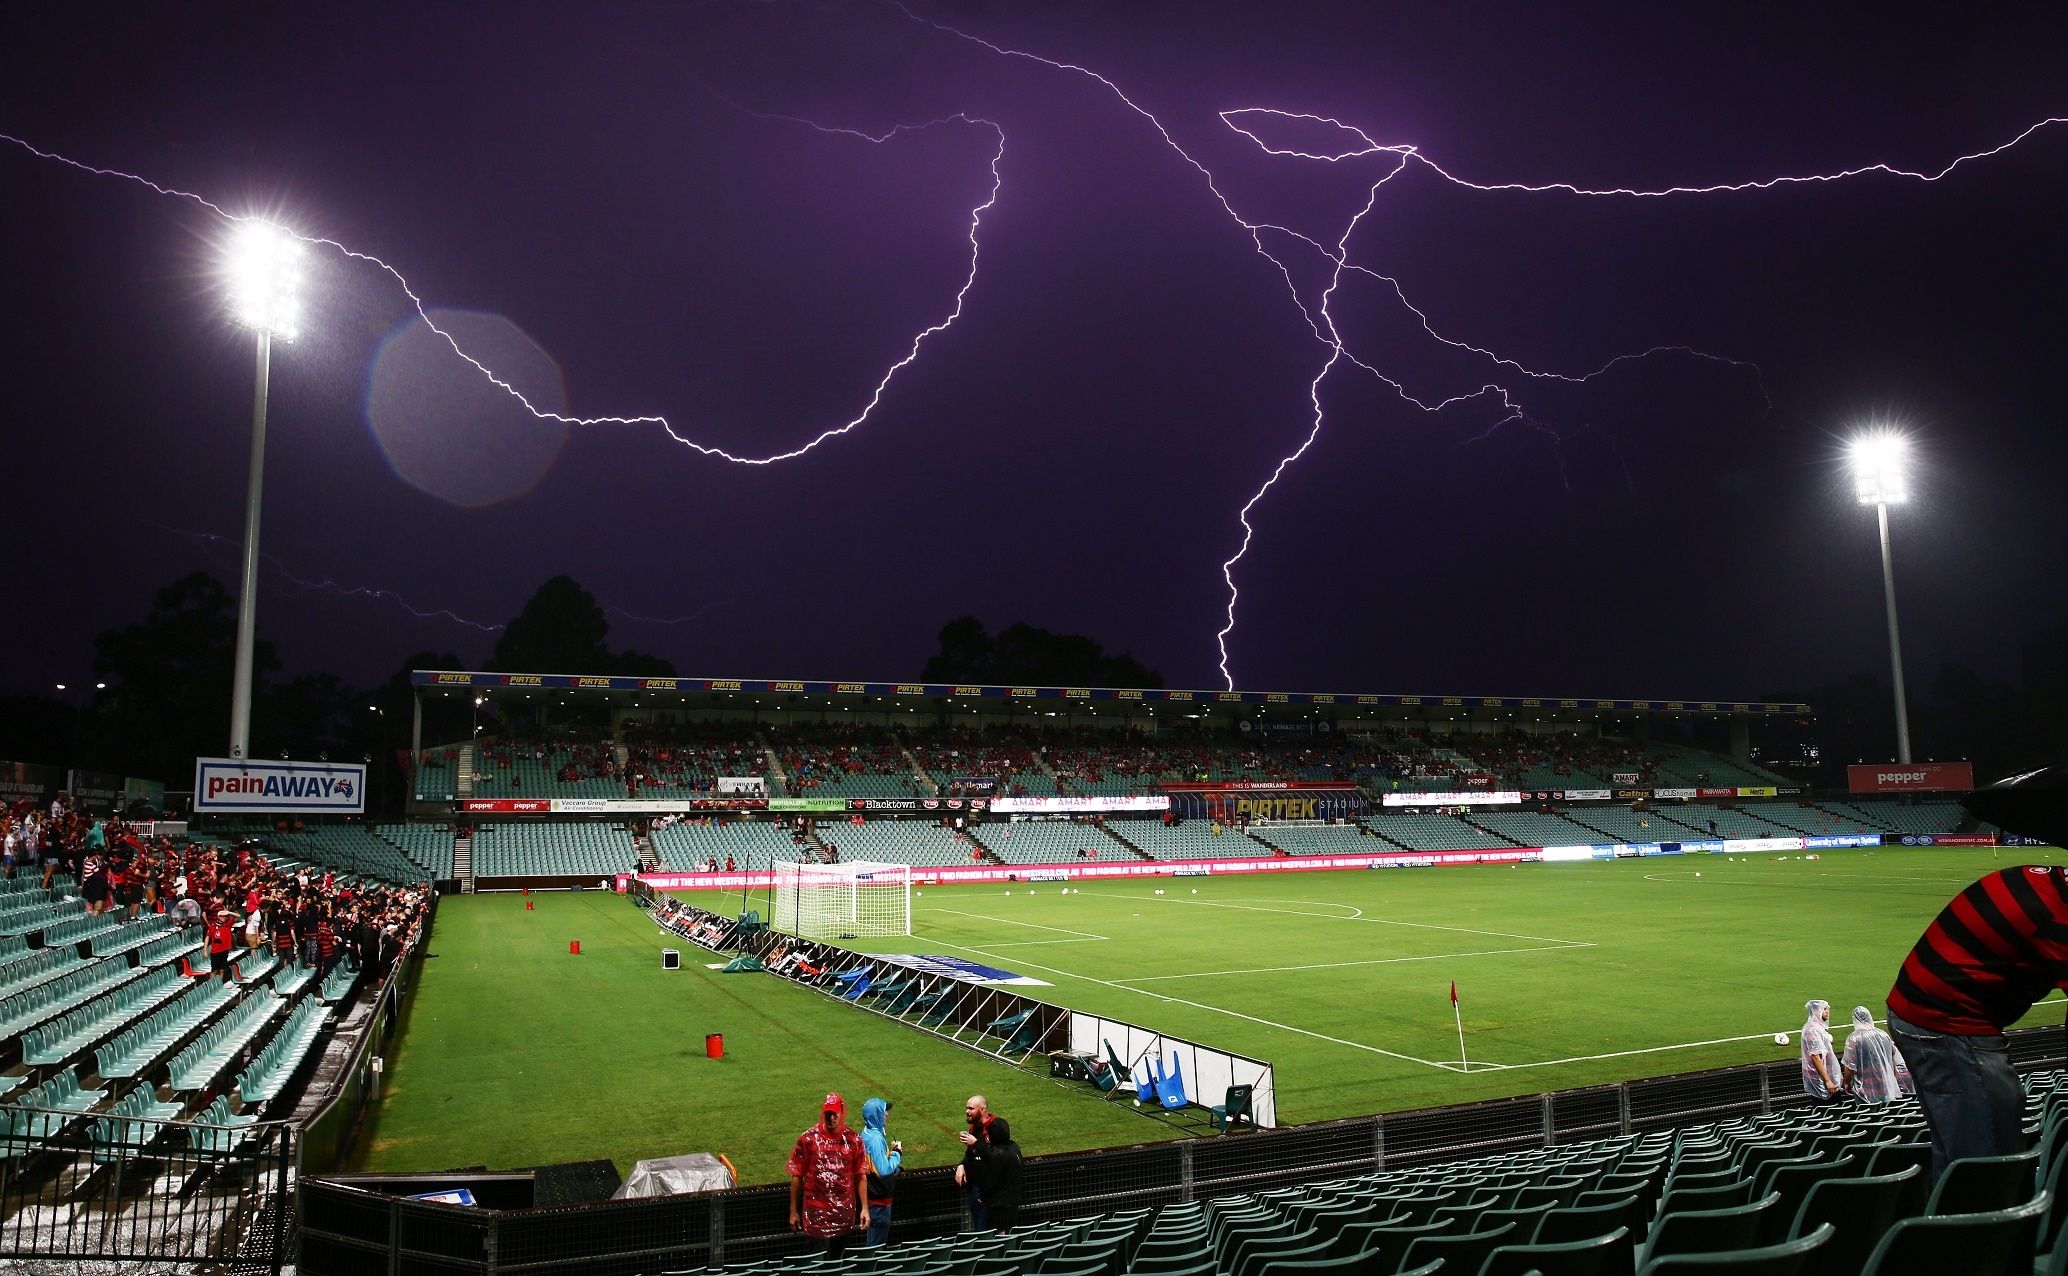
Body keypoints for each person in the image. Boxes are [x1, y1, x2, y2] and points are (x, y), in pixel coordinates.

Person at [1886, 864, 2068, 1179]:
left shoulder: (2049, 881)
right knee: (1990, 1160)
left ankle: (1955, 1205)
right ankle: (1984, 1208)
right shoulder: (2058, 918)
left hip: (1924, 1011)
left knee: (1959, 1152)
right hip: (1945, 1023)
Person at [786, 1093, 867, 1258]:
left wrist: (865, 1208)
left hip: (843, 1216)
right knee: (817, 1263)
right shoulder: (808, 1139)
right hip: (816, 1216)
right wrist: (793, 1210)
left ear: (841, 1113)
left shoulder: (853, 1140)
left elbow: (861, 1175)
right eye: (828, 1113)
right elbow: (796, 1175)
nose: (831, 1118)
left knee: (840, 1263)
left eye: (834, 1113)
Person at [966, 1116, 1024, 1233]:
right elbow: (991, 1153)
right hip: (1013, 1201)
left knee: (998, 1235)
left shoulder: (999, 1156)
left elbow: (992, 1155)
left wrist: (976, 1143)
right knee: (1010, 1231)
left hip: (999, 1205)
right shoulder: (1014, 1147)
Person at [858, 1097, 901, 1247]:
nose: (886, 1114)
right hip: (879, 1204)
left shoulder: (867, 1134)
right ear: (876, 1115)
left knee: (874, 1243)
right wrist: (897, 1153)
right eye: (883, 1112)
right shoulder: (875, 1139)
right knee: (876, 1247)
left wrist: (895, 1168)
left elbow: (875, 1165)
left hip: (874, 1200)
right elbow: (883, 1170)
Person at [1840, 1006, 1901, 1106]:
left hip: (1865, 1089)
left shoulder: (1854, 1038)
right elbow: (1893, 1058)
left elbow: (1849, 1066)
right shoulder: (1884, 1035)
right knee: (1886, 1111)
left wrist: (1846, 1083)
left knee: (1869, 1112)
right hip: (1885, 1085)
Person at [955, 1094, 993, 1227]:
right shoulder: (974, 1127)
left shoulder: (995, 1128)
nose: (967, 1111)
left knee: (985, 1229)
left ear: (983, 1110)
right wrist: (961, 1165)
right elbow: (971, 1153)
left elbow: (996, 1157)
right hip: (975, 1186)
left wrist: (976, 1143)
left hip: (989, 1189)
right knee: (978, 1225)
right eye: (967, 1108)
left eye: (971, 1108)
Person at [1799, 1000, 1842, 1102]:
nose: (1827, 1011)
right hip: (1821, 1080)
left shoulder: (1817, 1027)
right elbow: (1815, 1057)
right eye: (1824, 1009)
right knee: (1826, 1107)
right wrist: (1827, 1081)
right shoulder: (1811, 1029)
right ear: (1816, 1011)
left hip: (1826, 1078)